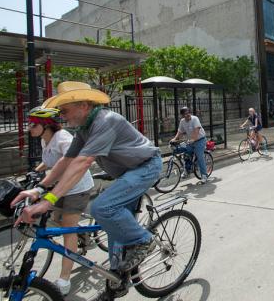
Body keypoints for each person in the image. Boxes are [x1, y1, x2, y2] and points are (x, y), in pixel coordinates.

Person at [12, 81, 162, 276]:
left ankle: (144, 239)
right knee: (112, 224)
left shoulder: (105, 120)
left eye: (64, 110)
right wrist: (39, 189)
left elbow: (82, 163)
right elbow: (67, 160)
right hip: (127, 173)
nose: (61, 116)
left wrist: (48, 200)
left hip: (145, 166)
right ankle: (117, 277)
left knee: (101, 208)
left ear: (83, 105)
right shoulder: (84, 128)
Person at [28, 107, 94, 296]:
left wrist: (44, 183)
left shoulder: (63, 138)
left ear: (46, 125)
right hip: (59, 189)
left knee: (67, 230)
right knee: (57, 220)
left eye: (33, 125)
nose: (29, 129)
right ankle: (81, 234)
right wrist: (36, 171)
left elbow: (69, 160)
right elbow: (50, 161)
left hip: (77, 187)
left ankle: (64, 279)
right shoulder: (45, 140)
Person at [171, 107, 209, 184]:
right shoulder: (182, 121)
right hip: (190, 141)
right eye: (185, 113)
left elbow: (196, 130)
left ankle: (204, 175)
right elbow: (180, 132)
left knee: (199, 156)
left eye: (188, 112)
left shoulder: (195, 119)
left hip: (200, 140)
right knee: (186, 154)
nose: (187, 114)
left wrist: (193, 139)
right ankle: (187, 171)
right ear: (182, 115)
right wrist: (174, 139)